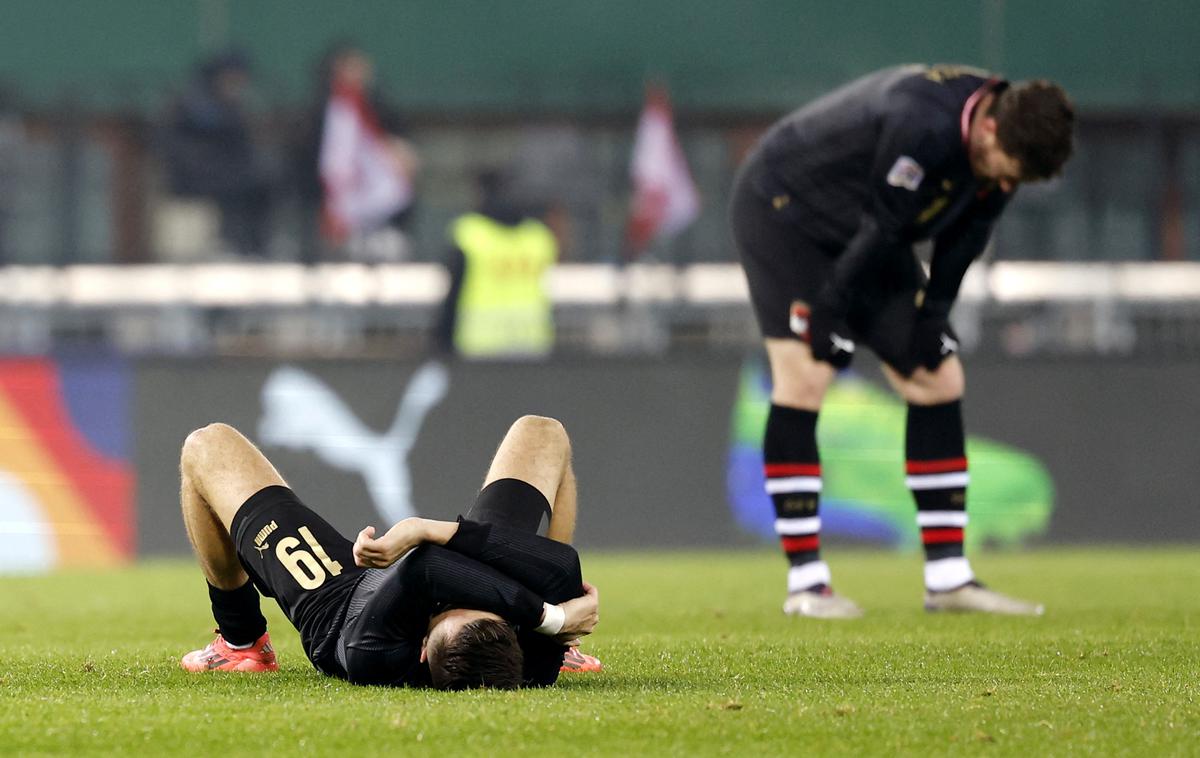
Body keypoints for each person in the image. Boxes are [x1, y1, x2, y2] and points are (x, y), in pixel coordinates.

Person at [729, 64, 1074, 618]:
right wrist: (829, 315)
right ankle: (807, 585)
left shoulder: (1010, 145)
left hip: (863, 227)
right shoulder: (924, 123)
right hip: (783, 209)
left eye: (1019, 181)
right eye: (1007, 173)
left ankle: (948, 579)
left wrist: (934, 314)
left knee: (939, 374)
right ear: (987, 132)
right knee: (807, 374)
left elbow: (967, 235)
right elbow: (887, 228)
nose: (1007, 186)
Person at [178, 415, 600, 688]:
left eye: (449, 609)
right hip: (484, 592)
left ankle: (241, 642)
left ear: (421, 646)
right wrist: (558, 626)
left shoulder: (373, 653)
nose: (461, 600)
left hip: (341, 600)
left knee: (207, 446)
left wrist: (550, 615)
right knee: (543, 433)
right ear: (512, 636)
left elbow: (428, 566)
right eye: (478, 603)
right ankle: (569, 647)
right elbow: (563, 565)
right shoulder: (531, 662)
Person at [434, 169, 558, 359]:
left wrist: (442, 340)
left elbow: (454, 291)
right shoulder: (538, 236)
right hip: (531, 340)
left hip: (479, 342)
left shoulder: (469, 233)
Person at [163, 50, 272, 257]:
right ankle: (229, 242)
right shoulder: (193, 106)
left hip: (229, 181)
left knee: (260, 186)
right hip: (196, 182)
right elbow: (179, 148)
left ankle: (249, 247)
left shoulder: (233, 107)